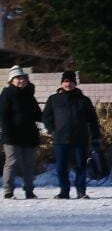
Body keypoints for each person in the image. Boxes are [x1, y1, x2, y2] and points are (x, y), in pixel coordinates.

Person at [41, 70, 100, 199]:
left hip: (80, 138)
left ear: (75, 83)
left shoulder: (83, 100)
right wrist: (52, 129)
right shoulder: (53, 99)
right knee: (61, 167)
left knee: (81, 166)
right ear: (62, 83)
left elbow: (93, 120)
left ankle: (81, 191)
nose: (68, 84)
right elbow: (46, 116)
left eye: (71, 82)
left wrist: (96, 135)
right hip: (60, 139)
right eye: (66, 82)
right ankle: (64, 191)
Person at [1, 66, 42, 199]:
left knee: (29, 164)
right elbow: (3, 116)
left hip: (29, 135)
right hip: (12, 136)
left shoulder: (29, 95)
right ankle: (8, 190)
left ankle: (29, 190)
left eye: (23, 78)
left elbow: (38, 114)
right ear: (11, 80)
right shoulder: (7, 94)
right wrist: (6, 134)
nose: (21, 80)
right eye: (18, 78)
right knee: (12, 163)